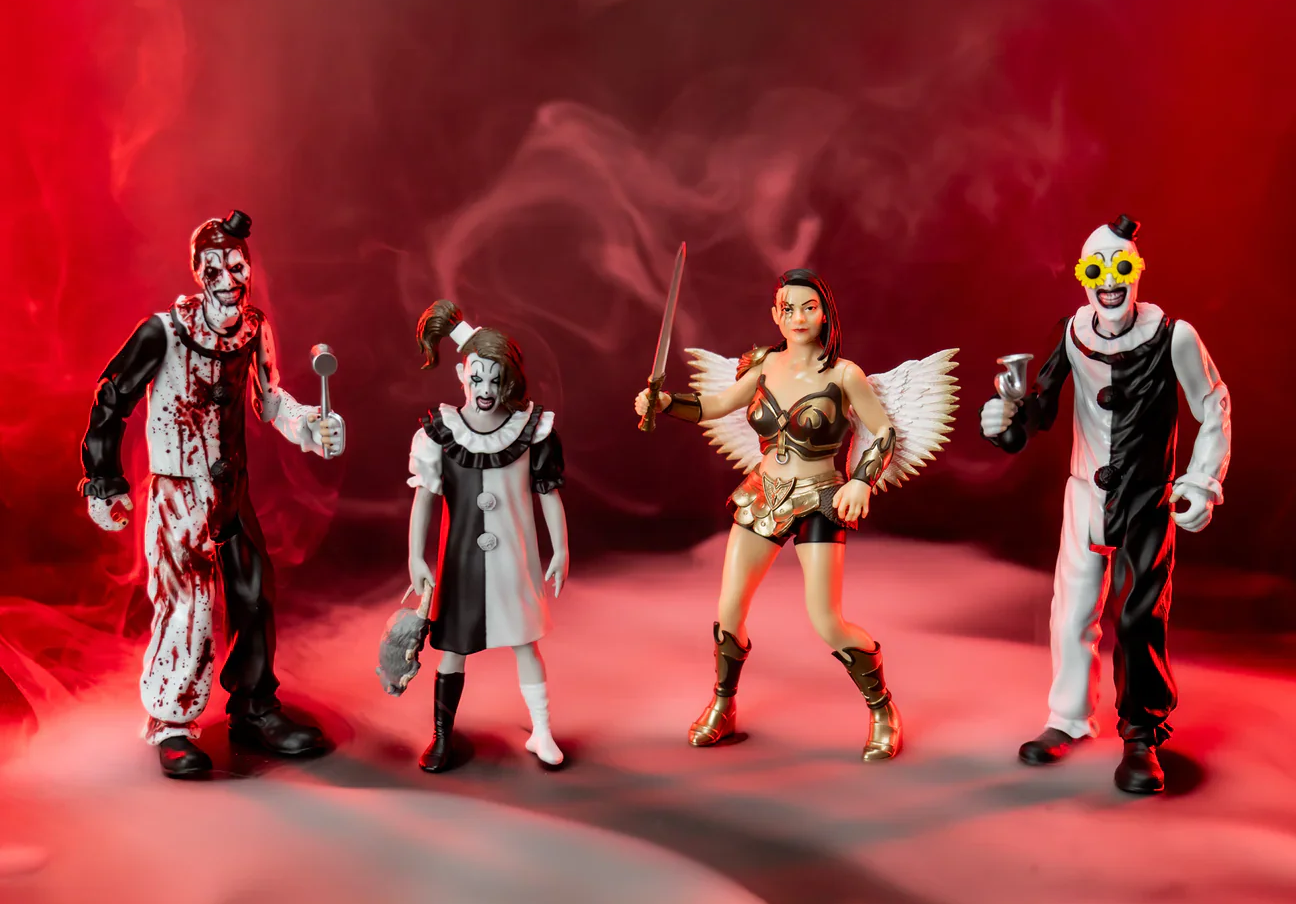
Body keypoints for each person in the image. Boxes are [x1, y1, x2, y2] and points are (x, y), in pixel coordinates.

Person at [636, 267, 958, 761]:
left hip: (820, 498)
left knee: (826, 620)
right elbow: (715, 405)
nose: (799, 317)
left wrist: (860, 480)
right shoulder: (763, 365)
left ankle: (882, 709)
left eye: (809, 307)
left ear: (825, 313)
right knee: (728, 610)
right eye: (789, 308)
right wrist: (665, 402)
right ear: (775, 315)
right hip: (762, 495)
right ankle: (723, 704)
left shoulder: (844, 375)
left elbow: (883, 431)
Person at [79, 211, 344, 778]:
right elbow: (112, 399)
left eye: (237, 267)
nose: (228, 279)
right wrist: (103, 479)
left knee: (254, 595)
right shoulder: (163, 332)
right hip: (179, 492)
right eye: (214, 268)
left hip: (231, 488)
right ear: (198, 273)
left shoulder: (253, 329)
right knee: (187, 605)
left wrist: (310, 426)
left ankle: (254, 707)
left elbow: (269, 401)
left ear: (249, 269)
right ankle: (171, 723)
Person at [980, 215, 1231, 793]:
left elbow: (1213, 404)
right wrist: (1003, 420)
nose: (1109, 281)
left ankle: (1142, 733)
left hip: (1147, 497)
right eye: (1096, 270)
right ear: (1082, 276)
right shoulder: (1072, 333)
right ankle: (1068, 717)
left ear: (1137, 271)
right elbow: (1037, 409)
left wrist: (1201, 481)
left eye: (1120, 267)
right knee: (1071, 610)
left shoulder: (1173, 336)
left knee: (1140, 614)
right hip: (1084, 493)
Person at [405, 301, 569, 771]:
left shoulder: (531, 430)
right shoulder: (439, 434)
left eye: (496, 381)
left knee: (526, 643)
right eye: (477, 378)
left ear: (509, 382)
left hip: (515, 559)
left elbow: (548, 494)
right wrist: (415, 557)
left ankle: (541, 731)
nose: (485, 390)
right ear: (462, 375)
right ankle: (441, 736)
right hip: (460, 564)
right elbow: (424, 498)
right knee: (452, 650)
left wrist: (561, 549)